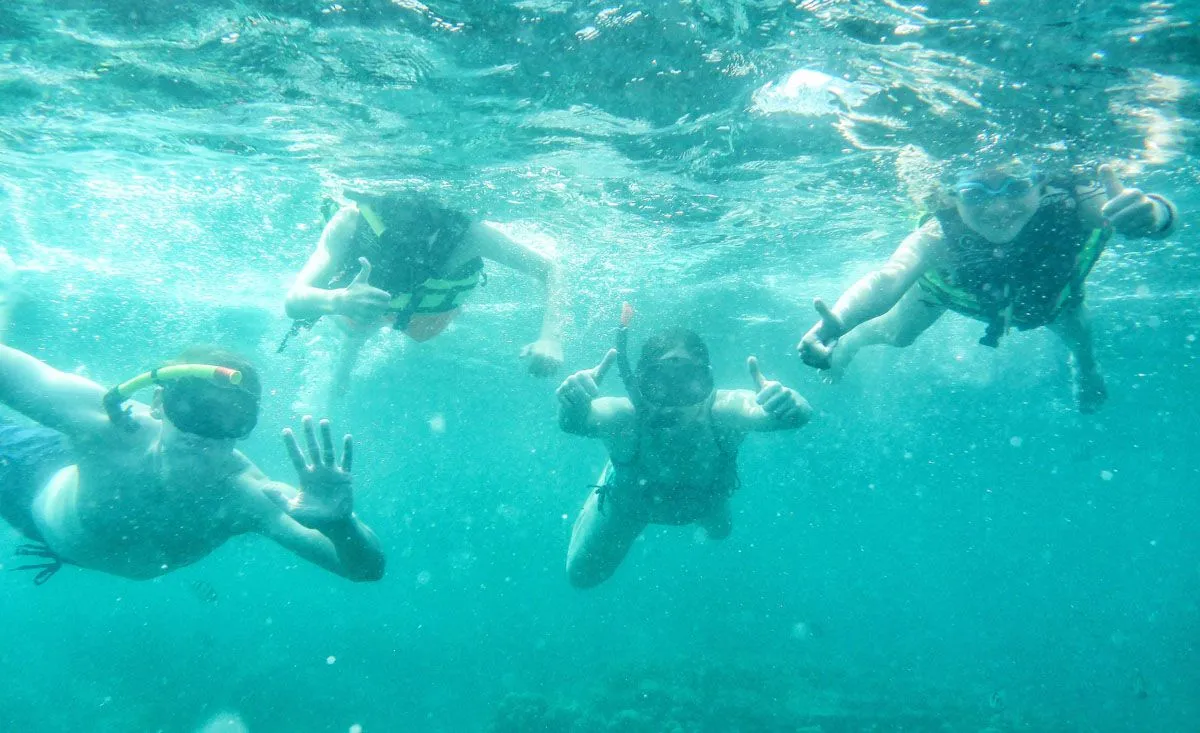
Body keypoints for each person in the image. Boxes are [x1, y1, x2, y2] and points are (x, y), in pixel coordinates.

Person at [797, 158, 1180, 412]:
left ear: (1042, 183)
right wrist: (838, 323)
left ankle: (1085, 367)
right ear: (951, 196)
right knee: (898, 335)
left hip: (1048, 297)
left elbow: (1154, 217)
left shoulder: (1080, 203)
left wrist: (1155, 214)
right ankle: (855, 342)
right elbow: (888, 278)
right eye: (975, 194)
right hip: (951, 290)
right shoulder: (938, 235)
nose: (997, 208)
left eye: (1015, 187)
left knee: (1076, 331)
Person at [0, 343, 385, 583]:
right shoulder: (107, 427)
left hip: (69, 541)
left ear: (245, 428)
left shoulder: (247, 496)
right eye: (192, 407)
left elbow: (365, 570)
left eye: (230, 418)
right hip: (27, 478)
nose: (204, 431)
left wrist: (342, 527)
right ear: (158, 403)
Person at [556, 315, 812, 589]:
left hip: (703, 502)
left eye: (688, 381)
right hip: (630, 507)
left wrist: (789, 404)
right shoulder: (623, 418)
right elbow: (574, 423)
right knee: (580, 576)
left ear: (708, 382)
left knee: (721, 532)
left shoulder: (725, 412)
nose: (672, 400)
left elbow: (789, 415)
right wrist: (574, 401)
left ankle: (626, 465)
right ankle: (614, 467)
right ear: (638, 383)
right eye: (658, 383)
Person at [283, 190, 567, 394]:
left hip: (431, 314)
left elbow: (549, 270)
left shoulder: (469, 235)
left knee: (415, 333)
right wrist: (338, 300)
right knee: (356, 329)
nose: (408, 220)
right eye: (396, 207)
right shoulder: (350, 221)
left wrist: (550, 338)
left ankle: (350, 354)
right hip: (368, 305)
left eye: (419, 210)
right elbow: (294, 301)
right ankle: (343, 371)